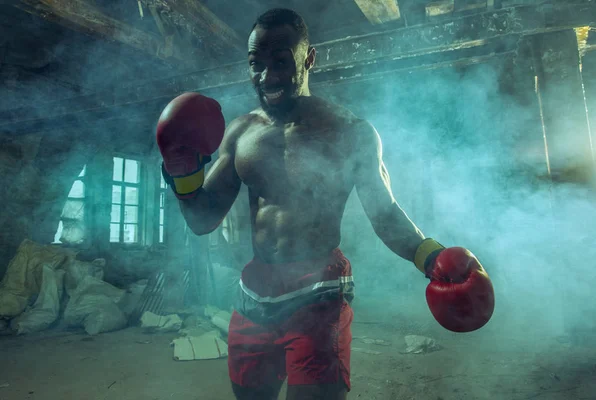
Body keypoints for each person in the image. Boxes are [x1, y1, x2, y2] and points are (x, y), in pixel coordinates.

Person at [156, 8, 494, 400]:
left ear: (308, 59)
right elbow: (202, 219)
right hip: (255, 292)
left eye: (280, 61)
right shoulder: (241, 133)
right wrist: (181, 174)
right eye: (256, 64)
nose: (268, 76)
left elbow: (384, 214)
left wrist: (430, 257)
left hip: (318, 291)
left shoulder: (351, 132)